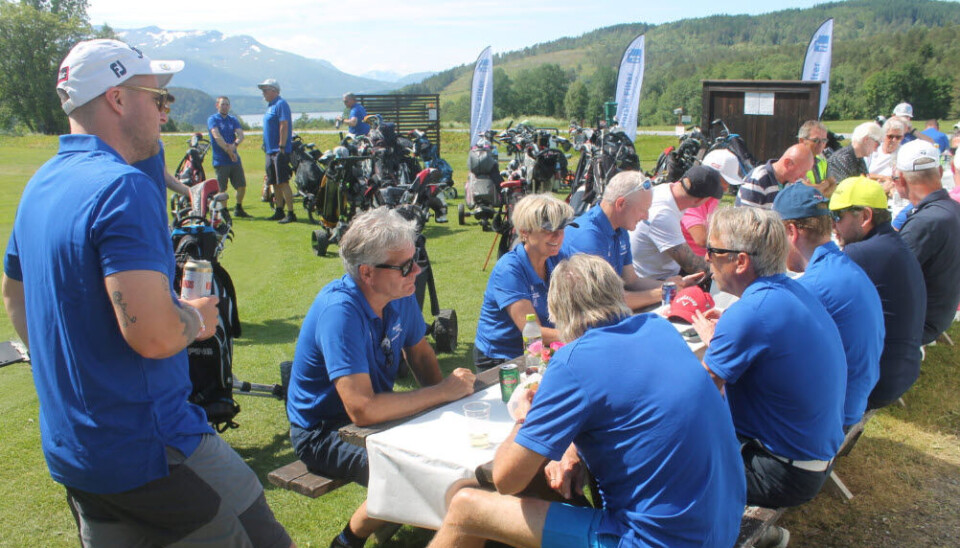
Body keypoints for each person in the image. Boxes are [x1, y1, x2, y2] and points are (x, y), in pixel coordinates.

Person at [1, 39, 291, 547]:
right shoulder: (122, 187)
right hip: (150, 445)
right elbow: (154, 338)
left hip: (75, 449)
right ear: (117, 99)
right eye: (157, 99)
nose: (164, 112)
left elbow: (14, 296)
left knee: (241, 513)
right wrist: (198, 318)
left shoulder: (42, 182)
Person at [428, 254, 746, 548]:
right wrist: (573, 447)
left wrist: (526, 415)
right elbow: (627, 411)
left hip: (658, 540)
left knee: (465, 506)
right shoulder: (658, 329)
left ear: (556, 313)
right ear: (617, 294)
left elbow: (507, 479)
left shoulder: (573, 362)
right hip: (720, 525)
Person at [285, 207, 476, 548]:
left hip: (376, 418)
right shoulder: (340, 311)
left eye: (414, 259)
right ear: (367, 273)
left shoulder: (398, 295)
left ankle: (401, 516)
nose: (416, 270)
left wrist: (445, 405)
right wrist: (443, 393)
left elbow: (419, 353)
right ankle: (347, 539)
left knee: (451, 457)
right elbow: (362, 409)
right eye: (404, 265)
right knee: (421, 470)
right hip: (323, 431)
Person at [690, 207, 846, 511]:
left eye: (713, 250)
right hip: (811, 458)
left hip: (783, 473)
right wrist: (723, 340)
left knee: (662, 461)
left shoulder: (749, 315)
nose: (706, 258)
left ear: (741, 261)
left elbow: (695, 394)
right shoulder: (792, 291)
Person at [772, 183, 884, 430]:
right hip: (854, 402)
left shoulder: (813, 287)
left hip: (831, 420)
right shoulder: (843, 266)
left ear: (791, 231)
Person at [828, 177, 926, 409]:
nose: (833, 226)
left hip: (880, 381)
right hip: (903, 369)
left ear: (865, 216)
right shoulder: (891, 243)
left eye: (838, 216)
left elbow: (810, 301)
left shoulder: (861, 253)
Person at [562, 171, 700, 310]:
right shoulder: (588, 238)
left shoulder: (620, 227)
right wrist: (664, 292)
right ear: (621, 204)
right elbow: (608, 302)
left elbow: (631, 281)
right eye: (643, 210)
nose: (646, 216)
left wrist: (672, 286)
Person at [474, 195, 575, 369]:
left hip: (540, 349)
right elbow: (534, 333)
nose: (558, 236)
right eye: (548, 229)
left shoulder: (559, 256)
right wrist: (585, 334)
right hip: (503, 358)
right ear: (524, 232)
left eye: (562, 228)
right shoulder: (509, 270)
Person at [891, 140, 960, 345]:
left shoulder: (925, 222)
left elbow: (890, 277)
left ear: (900, 180)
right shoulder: (952, 209)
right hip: (940, 313)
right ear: (939, 171)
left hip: (917, 323)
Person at [629, 165, 723, 279]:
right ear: (699, 200)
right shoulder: (663, 215)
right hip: (654, 281)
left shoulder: (664, 189)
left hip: (655, 269)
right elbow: (693, 266)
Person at [680, 149, 743, 257]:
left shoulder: (712, 197)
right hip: (691, 262)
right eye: (725, 181)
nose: (726, 187)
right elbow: (701, 239)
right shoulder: (694, 196)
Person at [259, 78, 297, 223]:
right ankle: (279, 209)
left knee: (283, 182)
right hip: (270, 150)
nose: (263, 93)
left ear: (274, 90)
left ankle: (291, 213)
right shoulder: (270, 105)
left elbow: (284, 125)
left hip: (279, 150)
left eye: (265, 90)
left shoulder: (281, 104)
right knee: (274, 181)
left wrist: (282, 145)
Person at [208, 95, 249, 218]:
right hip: (221, 160)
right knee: (222, 188)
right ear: (217, 106)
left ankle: (238, 207)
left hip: (234, 160)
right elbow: (216, 136)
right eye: (222, 104)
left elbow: (240, 135)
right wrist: (229, 151)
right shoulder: (213, 119)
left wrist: (234, 145)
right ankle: (224, 211)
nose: (225, 107)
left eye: (227, 104)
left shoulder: (233, 119)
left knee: (241, 185)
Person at [736, 144, 814, 209]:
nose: (804, 176)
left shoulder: (793, 182)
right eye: (803, 171)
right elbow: (747, 222)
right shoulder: (758, 179)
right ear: (787, 163)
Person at [797, 120, 837, 196]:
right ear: (802, 141)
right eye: (816, 140)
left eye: (824, 140)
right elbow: (803, 190)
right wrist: (824, 185)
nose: (821, 144)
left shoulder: (822, 160)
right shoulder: (795, 162)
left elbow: (833, 184)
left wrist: (819, 189)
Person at [867, 117, 908, 182]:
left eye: (898, 137)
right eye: (890, 136)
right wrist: (883, 177)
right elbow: (862, 174)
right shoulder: (873, 150)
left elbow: (903, 178)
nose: (894, 140)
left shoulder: (904, 152)